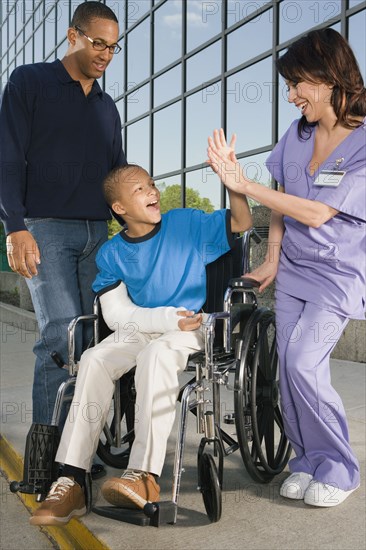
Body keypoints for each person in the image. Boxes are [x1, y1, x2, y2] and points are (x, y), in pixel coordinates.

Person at [29, 162, 252, 525]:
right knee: (95, 358)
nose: (153, 191)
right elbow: (117, 315)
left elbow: (241, 223)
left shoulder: (187, 223)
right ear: (119, 209)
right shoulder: (111, 253)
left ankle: (143, 477)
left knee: (156, 354)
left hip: (190, 325)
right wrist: (165, 319)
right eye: (140, 190)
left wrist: (233, 185)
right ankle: (71, 480)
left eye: (152, 184)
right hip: (143, 326)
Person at [207, 28, 365, 507]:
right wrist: (271, 258)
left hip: (336, 276)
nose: (292, 95)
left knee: (303, 364)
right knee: (284, 373)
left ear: (329, 76)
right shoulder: (297, 134)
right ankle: (304, 460)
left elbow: (316, 212)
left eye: (298, 84)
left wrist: (243, 183)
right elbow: (283, 202)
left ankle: (339, 467)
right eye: (289, 87)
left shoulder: (362, 142)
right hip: (294, 269)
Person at [0, 2, 126, 434]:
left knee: (94, 339)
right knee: (60, 335)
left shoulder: (108, 108)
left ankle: (81, 447)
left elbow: (117, 176)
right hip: (45, 229)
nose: (106, 55)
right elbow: (9, 157)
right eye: (98, 43)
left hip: (99, 233)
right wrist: (14, 225)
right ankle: (48, 451)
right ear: (72, 36)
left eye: (114, 47)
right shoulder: (29, 81)